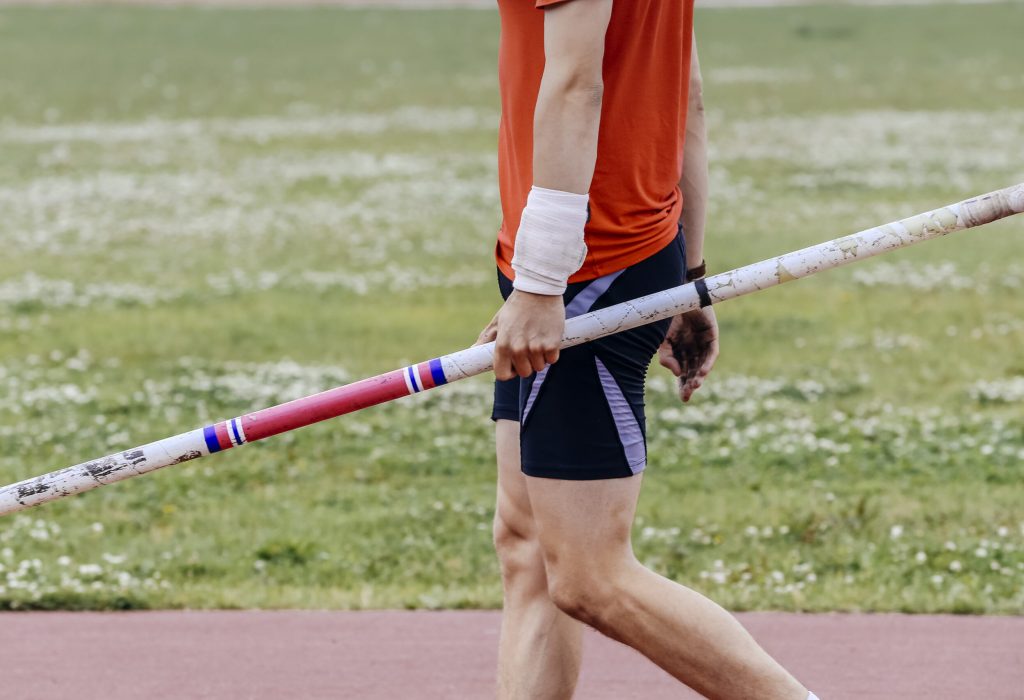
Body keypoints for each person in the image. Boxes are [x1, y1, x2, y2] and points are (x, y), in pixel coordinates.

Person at [475, 1, 821, 698]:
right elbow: (684, 89)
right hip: (589, 256)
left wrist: (543, 285)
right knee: (529, 548)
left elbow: (577, 84)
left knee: (589, 575)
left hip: (582, 268)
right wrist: (687, 278)